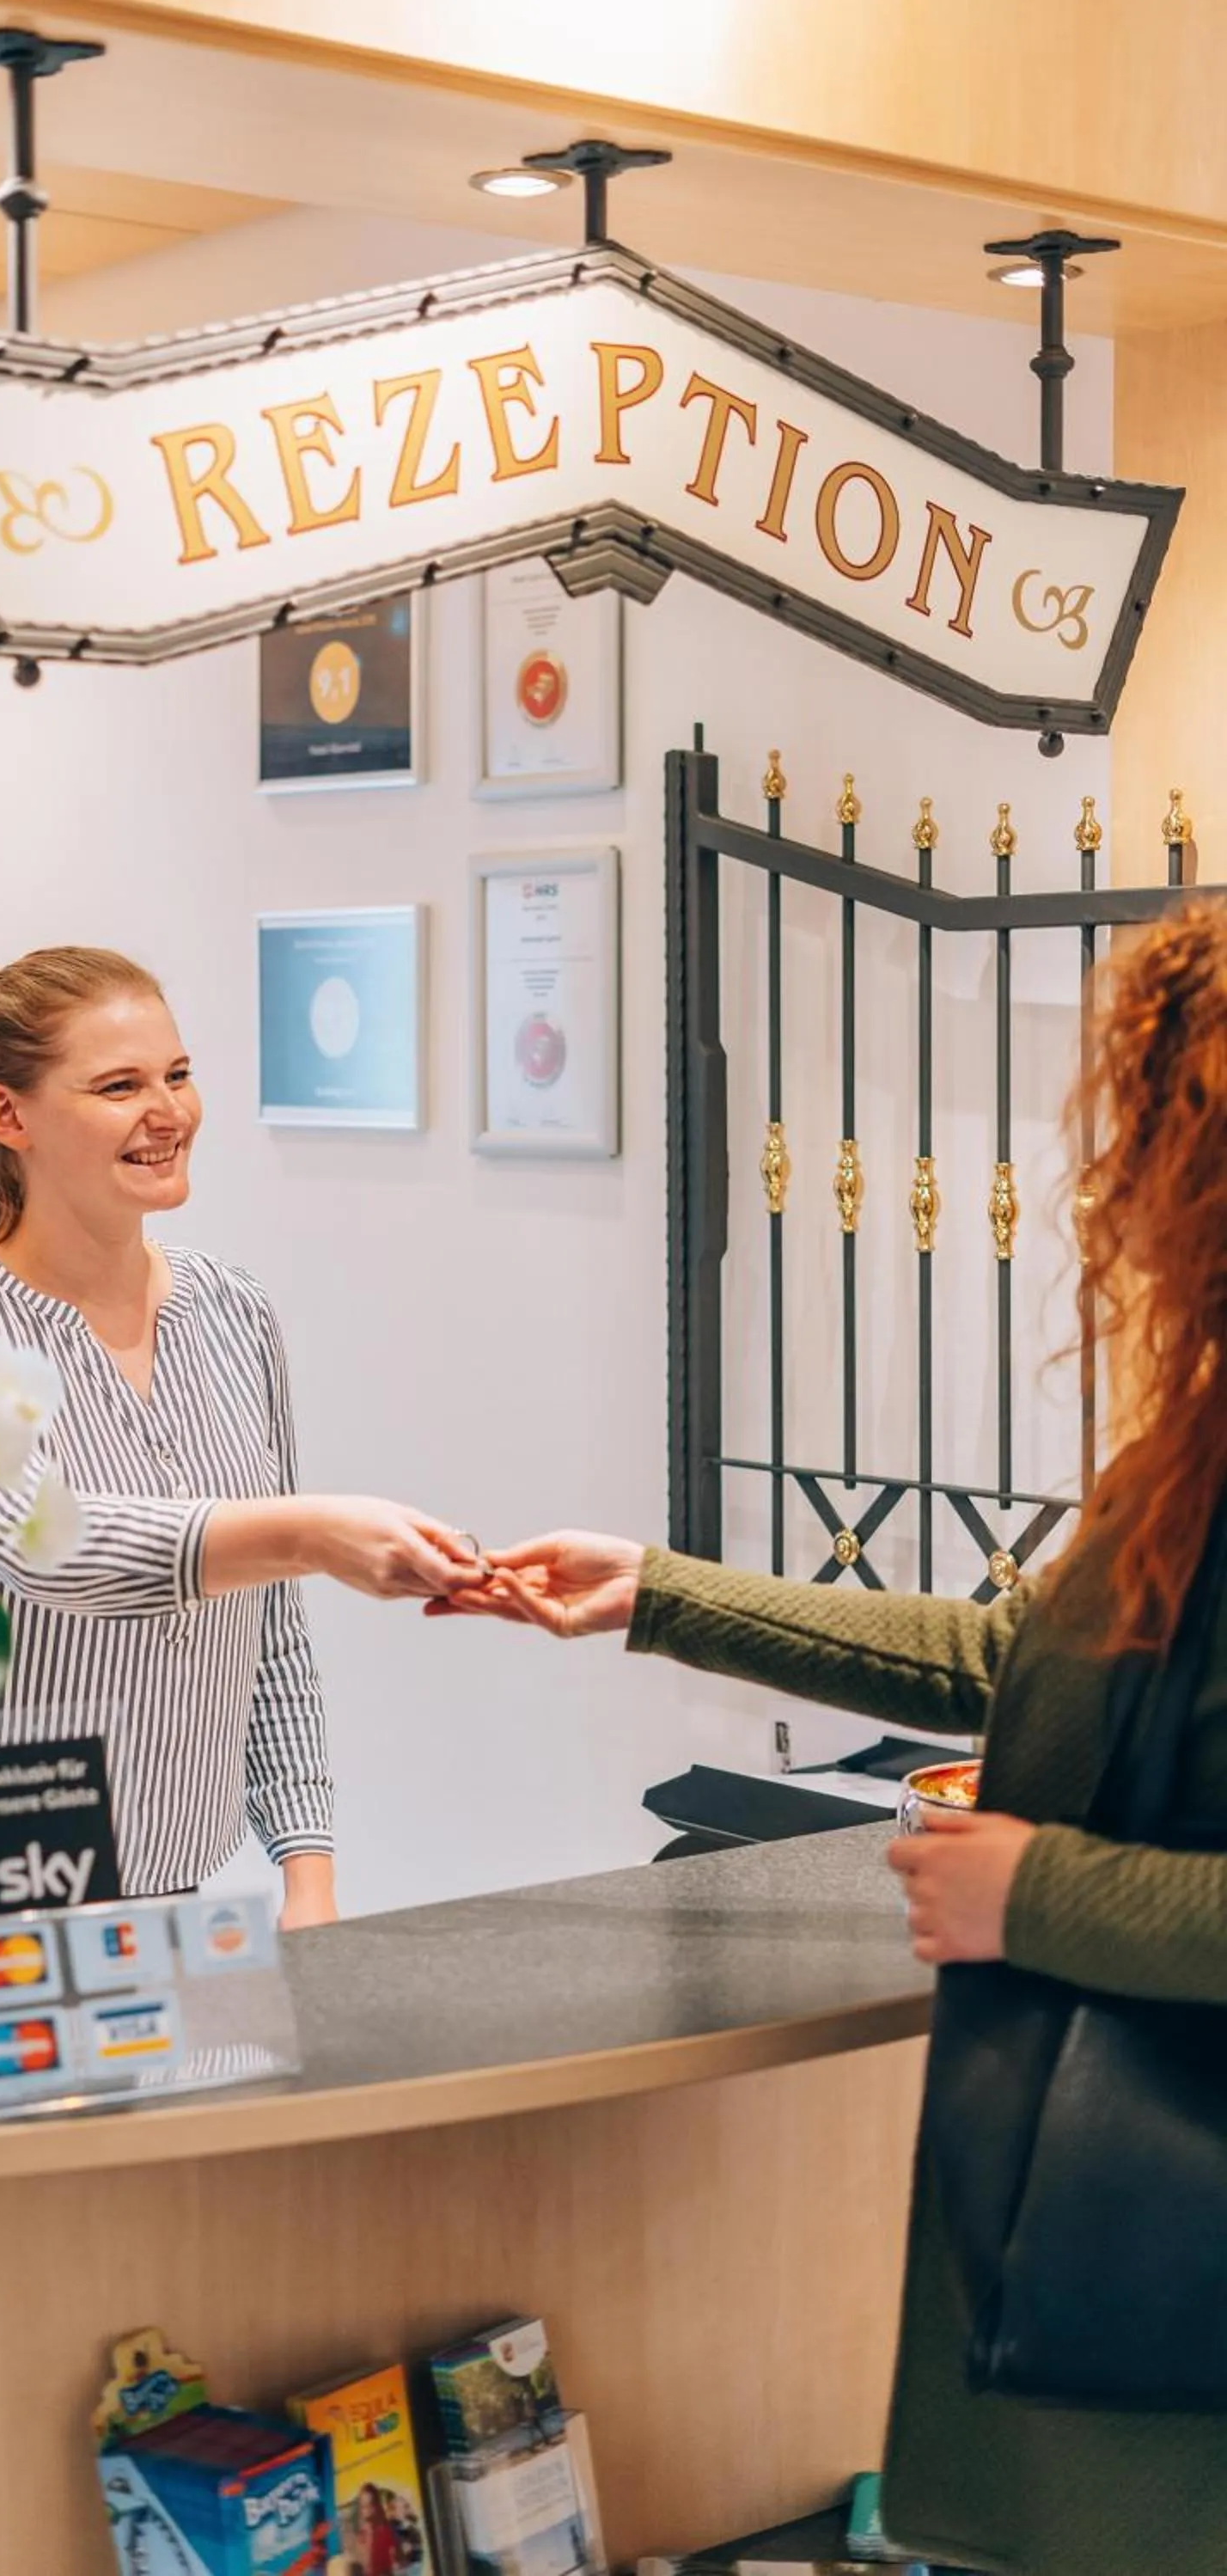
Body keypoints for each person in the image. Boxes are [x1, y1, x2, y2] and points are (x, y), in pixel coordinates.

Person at [438, 903, 1227, 2576]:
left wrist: (1035, 1894)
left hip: (1169, 2307)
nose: (1105, 1198)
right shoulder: (1192, 1454)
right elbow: (1009, 1654)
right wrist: (655, 1594)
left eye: (1146, 1138)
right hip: (1106, 2276)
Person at [0, 945, 481, 1935]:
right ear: (8, 1116)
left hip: (154, 1852)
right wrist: (309, 1529)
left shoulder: (230, 1311)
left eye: (176, 1075)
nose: (166, 1112)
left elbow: (272, 1628)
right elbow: (48, 1544)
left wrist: (306, 1870)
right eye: (119, 1086)